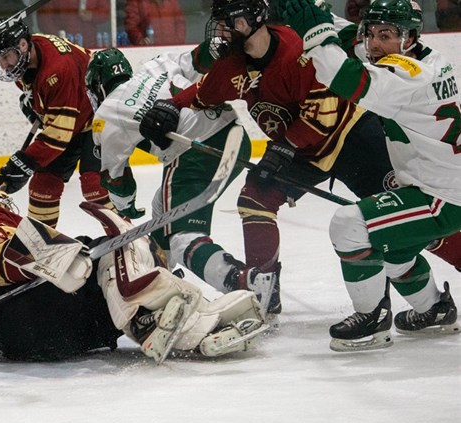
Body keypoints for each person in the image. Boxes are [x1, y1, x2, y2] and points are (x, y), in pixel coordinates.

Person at [138, 0, 398, 316]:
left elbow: (325, 114)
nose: (220, 30)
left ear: (252, 19)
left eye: (227, 21)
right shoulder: (233, 62)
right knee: (255, 198)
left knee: (399, 211)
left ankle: (435, 299)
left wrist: (285, 145)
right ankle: (263, 288)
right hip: (300, 151)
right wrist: (171, 107)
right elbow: (203, 93)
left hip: (350, 136)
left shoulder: (297, 50)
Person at [280, 0, 461, 350]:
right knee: (394, 252)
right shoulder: (429, 60)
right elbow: (358, 45)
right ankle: (434, 309)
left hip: (443, 198)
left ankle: (371, 317)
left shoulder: (407, 75)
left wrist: (316, 32)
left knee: (350, 225)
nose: (375, 43)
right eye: (372, 33)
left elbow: (344, 77)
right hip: (439, 187)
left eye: (386, 35)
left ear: (408, 37)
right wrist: (321, 11)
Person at [0, 186, 269, 361]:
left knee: (103, 291)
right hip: (24, 315)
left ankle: (196, 331)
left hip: (52, 335)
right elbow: (2, 252)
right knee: (110, 248)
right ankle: (145, 304)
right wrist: (66, 258)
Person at [86, 46, 279, 313]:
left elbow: (116, 178)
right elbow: (203, 56)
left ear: (96, 86)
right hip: (237, 138)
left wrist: (125, 207)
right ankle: (160, 271)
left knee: (182, 236)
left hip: (196, 154)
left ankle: (247, 282)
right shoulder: (154, 66)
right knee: (162, 207)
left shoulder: (106, 114)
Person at [0, 20, 111, 229]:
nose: (3, 65)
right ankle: (42, 248)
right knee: (42, 187)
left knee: (95, 186)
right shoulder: (26, 59)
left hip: (99, 119)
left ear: (23, 45)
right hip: (71, 116)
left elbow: (56, 138)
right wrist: (36, 105)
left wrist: (24, 162)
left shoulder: (58, 69)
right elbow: (56, 118)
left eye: (5, 57)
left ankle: (129, 245)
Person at [37, 0, 111, 46]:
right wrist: (57, 37)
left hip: (89, 43)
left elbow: (106, 13)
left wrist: (92, 15)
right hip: (63, 45)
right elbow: (44, 18)